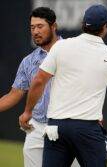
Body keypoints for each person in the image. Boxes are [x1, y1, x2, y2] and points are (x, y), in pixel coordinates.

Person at [19, 4, 107, 167]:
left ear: (83, 24)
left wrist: (27, 112)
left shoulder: (61, 47)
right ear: (105, 28)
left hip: (56, 128)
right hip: (86, 129)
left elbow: (39, 81)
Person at [0, 7, 79, 167]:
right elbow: (14, 94)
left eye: (40, 26)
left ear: (53, 26)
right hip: (36, 127)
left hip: (69, 125)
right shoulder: (28, 61)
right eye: (32, 27)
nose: (35, 31)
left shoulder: (73, 52)